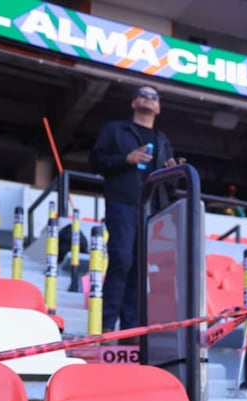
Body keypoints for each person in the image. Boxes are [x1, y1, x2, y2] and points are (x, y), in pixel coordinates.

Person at [89, 84, 179, 333]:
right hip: (123, 203)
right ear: (134, 102)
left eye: (154, 97)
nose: (149, 99)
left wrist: (171, 172)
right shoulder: (115, 130)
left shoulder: (162, 140)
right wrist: (125, 159)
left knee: (141, 268)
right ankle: (106, 324)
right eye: (144, 95)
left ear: (158, 107)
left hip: (153, 209)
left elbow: (168, 186)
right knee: (121, 259)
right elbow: (95, 161)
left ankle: (131, 330)